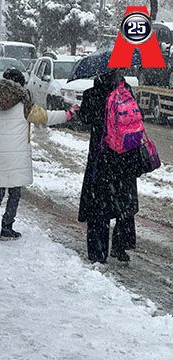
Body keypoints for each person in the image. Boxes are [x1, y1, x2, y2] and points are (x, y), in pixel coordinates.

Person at [0, 68, 78, 241]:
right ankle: (6, 228)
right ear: (20, 84)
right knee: (14, 192)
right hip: (16, 156)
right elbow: (45, 117)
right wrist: (68, 114)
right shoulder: (24, 105)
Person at [77, 70, 141, 263]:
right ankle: (121, 247)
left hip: (102, 157)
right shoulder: (126, 90)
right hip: (125, 157)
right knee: (124, 204)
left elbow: (85, 118)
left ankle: (98, 252)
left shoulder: (92, 93)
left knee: (99, 207)